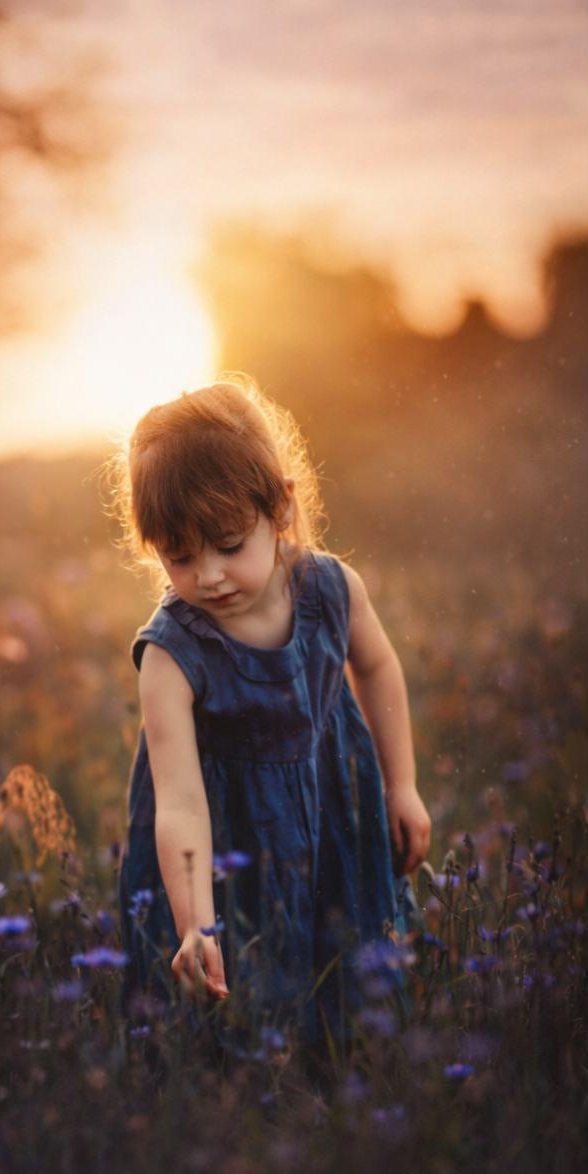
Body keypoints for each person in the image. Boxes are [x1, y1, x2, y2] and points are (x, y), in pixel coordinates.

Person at [111, 375, 430, 1041]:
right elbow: (179, 804)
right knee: (245, 1009)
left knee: (347, 977)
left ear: (280, 508)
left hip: (335, 815)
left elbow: (376, 665)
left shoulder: (333, 589)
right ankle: (246, 1109)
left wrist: (401, 785)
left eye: (229, 545)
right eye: (180, 555)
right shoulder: (172, 653)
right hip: (229, 849)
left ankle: (349, 1084)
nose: (209, 576)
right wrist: (196, 921)